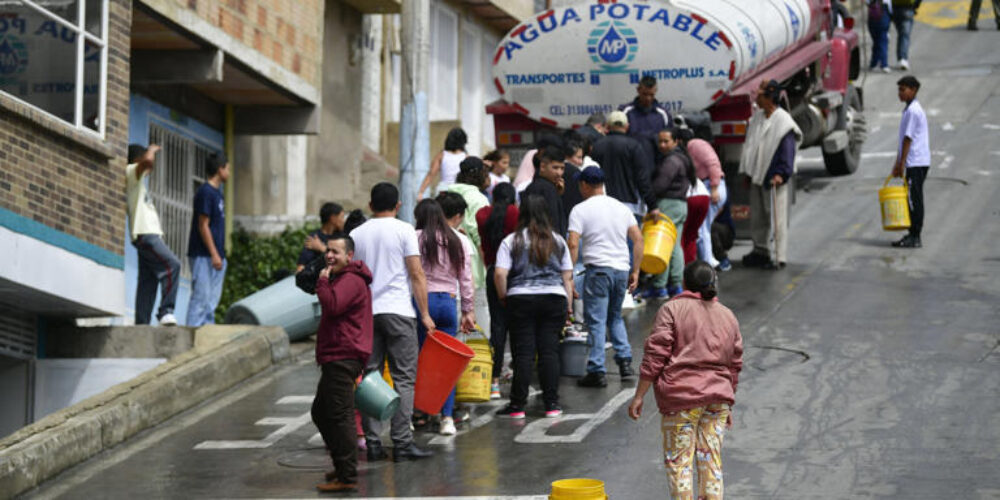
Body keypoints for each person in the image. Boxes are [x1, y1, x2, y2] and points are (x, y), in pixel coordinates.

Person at [628, 261, 743, 500]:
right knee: (711, 462)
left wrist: (639, 395)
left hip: (681, 399)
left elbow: (656, 356)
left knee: (679, 463)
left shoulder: (672, 310)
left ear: (684, 283)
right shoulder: (728, 316)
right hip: (718, 401)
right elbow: (734, 364)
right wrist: (728, 401)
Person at [349, 182, 434, 462]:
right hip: (399, 312)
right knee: (403, 379)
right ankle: (402, 444)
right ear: (398, 206)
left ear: (370, 205)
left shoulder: (356, 234)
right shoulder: (404, 230)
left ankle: (373, 444)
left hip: (366, 314)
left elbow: (351, 277)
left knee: (370, 377)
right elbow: (417, 273)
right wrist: (424, 313)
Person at [494, 195, 574, 419]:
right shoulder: (558, 241)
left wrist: (504, 296)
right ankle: (552, 404)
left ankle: (517, 405)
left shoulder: (512, 241)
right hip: (554, 298)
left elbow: (500, 273)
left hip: (521, 299)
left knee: (524, 353)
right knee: (549, 352)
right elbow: (567, 277)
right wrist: (568, 307)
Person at [567, 167, 643, 388]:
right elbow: (638, 239)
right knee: (615, 317)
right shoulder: (621, 208)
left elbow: (573, 243)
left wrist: (569, 275)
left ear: (584, 185)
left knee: (596, 321)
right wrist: (635, 271)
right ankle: (625, 363)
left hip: (598, 270)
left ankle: (596, 369)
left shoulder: (579, 210)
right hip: (620, 270)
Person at [311, 235, 372, 493]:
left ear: (350, 256)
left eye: (336, 252)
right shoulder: (345, 278)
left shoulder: (350, 280)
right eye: (328, 251)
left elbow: (333, 305)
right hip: (337, 354)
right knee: (322, 413)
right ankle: (342, 466)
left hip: (343, 355)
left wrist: (322, 282)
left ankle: (347, 475)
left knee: (339, 416)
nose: (330, 256)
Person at [413, 199, 475, 435]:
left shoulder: (414, 237)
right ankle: (446, 418)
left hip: (421, 303)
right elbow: (466, 278)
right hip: (448, 302)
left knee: (419, 360)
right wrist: (468, 310)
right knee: (446, 365)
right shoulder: (457, 239)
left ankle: (418, 412)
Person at [739, 80, 802, 270]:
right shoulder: (758, 117)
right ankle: (760, 250)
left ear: (769, 98)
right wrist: (747, 172)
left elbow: (787, 150)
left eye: (759, 95)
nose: (756, 98)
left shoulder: (783, 121)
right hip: (757, 174)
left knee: (776, 218)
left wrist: (781, 173)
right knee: (758, 216)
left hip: (774, 177)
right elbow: (751, 146)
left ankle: (778, 256)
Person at [125, 144, 181, 326]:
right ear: (136, 161)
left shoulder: (138, 183)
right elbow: (147, 161)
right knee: (173, 265)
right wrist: (152, 150)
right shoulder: (131, 173)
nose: (150, 168)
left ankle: (141, 322)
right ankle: (166, 311)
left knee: (148, 281)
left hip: (144, 235)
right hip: (146, 234)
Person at [476, 183, 519, 400]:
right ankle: (519, 379)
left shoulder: (482, 215)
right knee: (520, 329)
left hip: (493, 271)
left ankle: (493, 383)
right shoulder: (515, 214)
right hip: (515, 273)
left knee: (498, 328)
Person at [645, 127, 696, 299]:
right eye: (660, 141)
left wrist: (649, 195)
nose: (662, 145)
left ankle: (660, 286)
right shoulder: (681, 158)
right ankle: (675, 284)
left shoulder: (671, 161)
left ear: (676, 141)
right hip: (680, 205)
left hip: (667, 205)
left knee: (662, 245)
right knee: (674, 246)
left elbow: (660, 185)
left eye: (666, 141)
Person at [445, 157, 491, 333]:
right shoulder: (478, 199)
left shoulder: (446, 193)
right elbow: (480, 235)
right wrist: (489, 265)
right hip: (473, 266)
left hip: (445, 268)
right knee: (480, 318)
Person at [186, 152, 230, 327]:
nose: (229, 172)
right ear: (220, 169)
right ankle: (192, 338)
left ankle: (206, 336)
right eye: (228, 168)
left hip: (216, 256)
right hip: (204, 255)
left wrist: (219, 255)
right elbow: (203, 225)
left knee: (211, 303)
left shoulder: (218, 194)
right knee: (201, 299)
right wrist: (213, 254)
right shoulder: (206, 192)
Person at [589, 111, 657, 219]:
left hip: (603, 204)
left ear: (607, 126)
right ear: (627, 126)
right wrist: (652, 205)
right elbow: (642, 178)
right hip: (630, 206)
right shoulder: (634, 146)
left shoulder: (596, 146)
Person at [891, 75, 930, 248]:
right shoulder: (909, 109)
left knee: (914, 199)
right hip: (913, 161)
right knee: (911, 198)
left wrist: (902, 163)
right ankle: (912, 233)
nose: (900, 93)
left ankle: (915, 236)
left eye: (903, 89)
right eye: (899, 89)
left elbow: (907, 139)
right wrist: (897, 163)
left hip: (916, 161)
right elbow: (903, 140)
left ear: (913, 90)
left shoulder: (913, 111)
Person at [687, 136, 729, 270]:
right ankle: (710, 261)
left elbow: (713, 164)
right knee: (704, 228)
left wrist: (714, 188)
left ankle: (709, 263)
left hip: (711, 187)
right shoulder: (695, 146)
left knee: (702, 228)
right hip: (711, 187)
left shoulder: (695, 145)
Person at [620, 75, 673, 160]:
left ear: (655, 91)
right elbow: (618, 140)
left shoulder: (663, 114)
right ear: (638, 90)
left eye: (651, 95)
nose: (648, 98)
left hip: (657, 164)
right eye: (644, 94)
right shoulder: (625, 112)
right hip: (631, 163)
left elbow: (670, 142)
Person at [522, 148, 568, 236]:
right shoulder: (547, 189)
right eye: (555, 168)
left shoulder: (534, 186)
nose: (559, 173)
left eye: (562, 168)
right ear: (542, 167)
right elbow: (554, 221)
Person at [418, 127, 467, 198]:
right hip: (459, 191)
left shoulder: (441, 155)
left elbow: (431, 174)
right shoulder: (465, 157)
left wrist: (421, 192)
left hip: (443, 190)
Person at [297, 202, 346, 273]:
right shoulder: (314, 238)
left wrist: (322, 248)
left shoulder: (342, 237)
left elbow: (346, 260)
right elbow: (301, 267)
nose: (343, 221)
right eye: (342, 217)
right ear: (333, 218)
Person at [683, 172, 710, 266]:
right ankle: (690, 270)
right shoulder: (685, 161)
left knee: (681, 236)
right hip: (704, 196)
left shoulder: (667, 162)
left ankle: (680, 272)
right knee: (691, 236)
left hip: (688, 197)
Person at [891, 0, 920, 70]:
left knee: (901, 34)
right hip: (908, 8)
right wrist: (916, 5)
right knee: (904, 35)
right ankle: (902, 58)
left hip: (895, 8)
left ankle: (900, 58)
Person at [868, 0, 892, 72]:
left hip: (872, 11)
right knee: (882, 39)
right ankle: (884, 64)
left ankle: (874, 63)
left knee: (876, 40)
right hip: (883, 10)